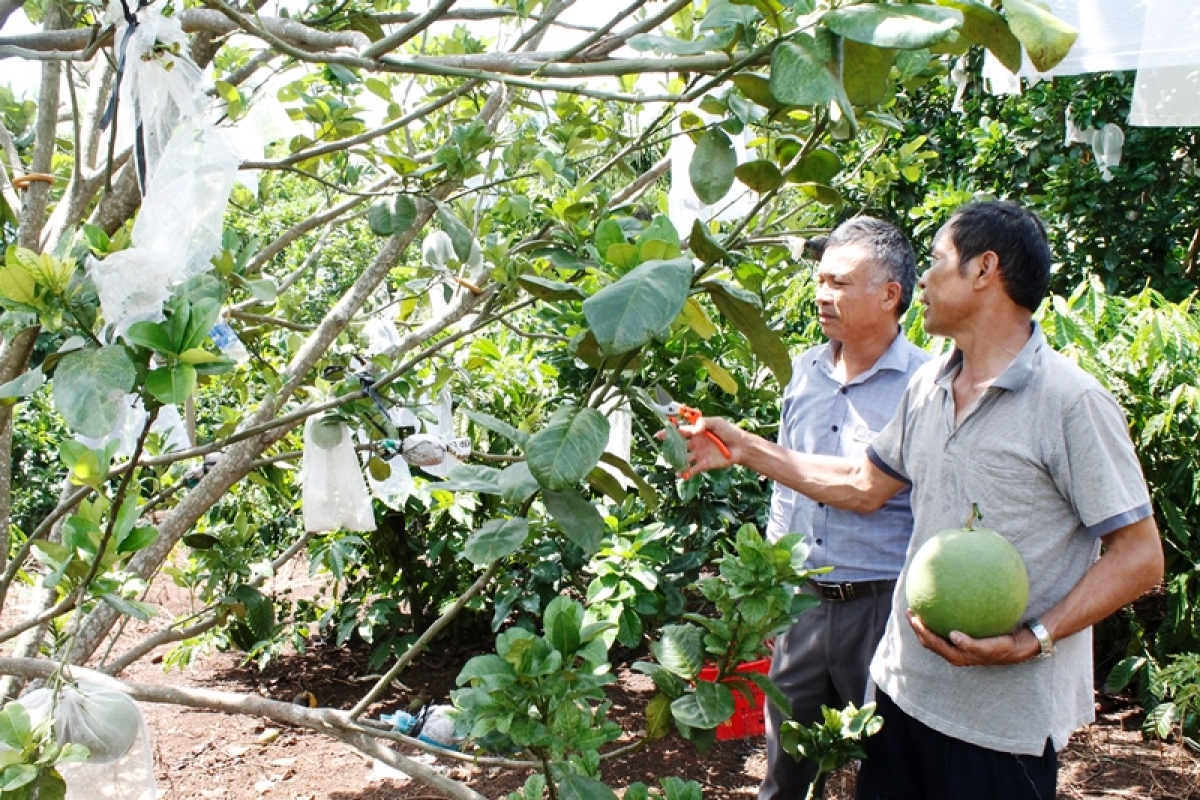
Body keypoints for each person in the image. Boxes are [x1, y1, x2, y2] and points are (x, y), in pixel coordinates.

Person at [682, 200, 1164, 800]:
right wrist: (744, 447)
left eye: (936, 263)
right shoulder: (928, 386)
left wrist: (1032, 637)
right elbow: (863, 486)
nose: (923, 281)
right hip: (904, 693)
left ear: (984, 270)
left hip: (999, 723)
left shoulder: (1069, 401)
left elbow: (1139, 556)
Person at [757, 216, 929, 800]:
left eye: (839, 283)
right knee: (785, 771)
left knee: (891, 770)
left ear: (889, 295)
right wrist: (774, 591)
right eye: (821, 280)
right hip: (803, 602)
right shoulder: (805, 372)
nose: (822, 295)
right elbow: (787, 482)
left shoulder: (925, 385)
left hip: (882, 607)